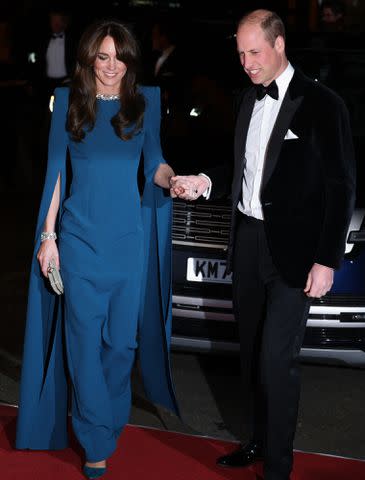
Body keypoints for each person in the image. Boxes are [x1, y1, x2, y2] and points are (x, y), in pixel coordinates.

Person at [170, 9, 355, 480]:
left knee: (277, 359)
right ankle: (255, 439)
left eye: (255, 53)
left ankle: (278, 466)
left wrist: (326, 260)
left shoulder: (323, 104)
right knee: (252, 355)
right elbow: (241, 168)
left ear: (279, 45)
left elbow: (340, 186)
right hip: (248, 241)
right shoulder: (245, 101)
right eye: (240, 54)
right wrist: (206, 180)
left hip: (296, 254)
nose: (247, 63)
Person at [15, 18, 179, 479]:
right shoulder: (68, 102)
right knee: (83, 344)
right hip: (80, 242)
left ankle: (105, 420)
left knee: (121, 346)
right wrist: (48, 239)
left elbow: (157, 164)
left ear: (130, 59)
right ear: (90, 60)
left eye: (119, 57)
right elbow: (55, 173)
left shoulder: (147, 102)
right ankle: (95, 441)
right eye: (102, 57)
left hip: (128, 246)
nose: (111, 66)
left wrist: (176, 179)